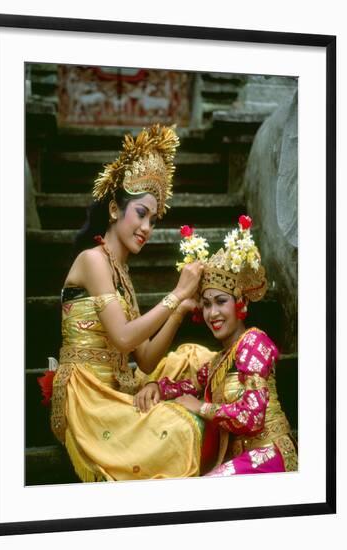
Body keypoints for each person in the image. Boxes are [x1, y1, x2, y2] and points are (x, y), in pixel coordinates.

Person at [40, 124, 214, 482]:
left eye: (153, 218)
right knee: (181, 428)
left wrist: (178, 312)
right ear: (116, 210)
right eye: (141, 213)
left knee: (197, 357)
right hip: (89, 396)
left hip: (121, 383)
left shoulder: (122, 273)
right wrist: (177, 294)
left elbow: (146, 359)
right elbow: (122, 337)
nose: (147, 227)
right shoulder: (93, 261)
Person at [136, 215, 298, 476]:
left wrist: (201, 407)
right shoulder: (219, 361)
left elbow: (252, 417)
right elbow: (188, 386)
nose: (212, 313)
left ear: (241, 303)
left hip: (271, 454)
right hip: (243, 460)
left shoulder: (254, 342)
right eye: (207, 304)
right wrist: (156, 386)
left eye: (221, 301)